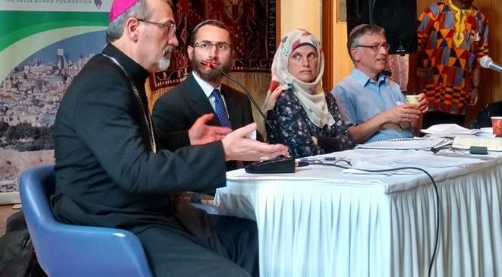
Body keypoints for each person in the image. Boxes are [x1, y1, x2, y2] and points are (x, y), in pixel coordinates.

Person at [51, 0, 288, 276]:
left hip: (145, 212)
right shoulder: (102, 84)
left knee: (255, 239)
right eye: (167, 28)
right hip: (114, 223)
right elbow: (136, 171)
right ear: (134, 27)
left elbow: (131, 149)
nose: (175, 41)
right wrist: (222, 151)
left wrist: (187, 139)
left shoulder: (121, 75)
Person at [152, 19, 258, 170]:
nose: (213, 54)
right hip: (205, 192)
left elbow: (254, 146)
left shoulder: (240, 100)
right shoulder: (169, 104)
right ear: (190, 52)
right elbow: (166, 165)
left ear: (232, 54)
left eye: (221, 46)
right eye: (205, 45)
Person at [263, 29, 355, 157]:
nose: (306, 63)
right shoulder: (284, 98)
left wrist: (318, 140)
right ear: (285, 61)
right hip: (296, 174)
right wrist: (333, 145)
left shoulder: (327, 97)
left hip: (333, 170)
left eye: (311, 55)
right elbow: (303, 151)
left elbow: (349, 142)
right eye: (297, 56)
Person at [332, 24, 428, 144]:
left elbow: (414, 131)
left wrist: (417, 112)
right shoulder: (344, 89)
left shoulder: (393, 87)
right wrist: (386, 117)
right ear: (356, 54)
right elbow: (345, 139)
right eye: (375, 47)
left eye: (384, 46)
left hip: (409, 149)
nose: (383, 52)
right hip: (375, 158)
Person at [416, 0, 489, 127]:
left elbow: (480, 57)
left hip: (461, 89)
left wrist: (476, 87)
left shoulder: (480, 19)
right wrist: (416, 74)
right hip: (432, 84)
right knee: (430, 134)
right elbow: (415, 44)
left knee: (456, 136)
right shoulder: (434, 11)